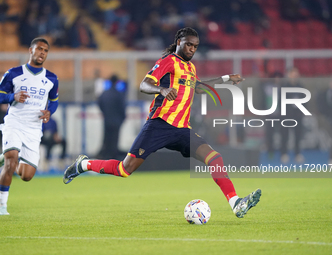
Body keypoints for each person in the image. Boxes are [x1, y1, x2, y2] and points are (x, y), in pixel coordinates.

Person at [63, 27, 261, 218]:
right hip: (160, 125)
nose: (192, 49)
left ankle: (235, 203)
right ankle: (84, 164)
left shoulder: (190, 67)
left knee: (214, 157)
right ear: (178, 43)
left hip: (183, 129)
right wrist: (162, 90)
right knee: (125, 169)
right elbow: (144, 84)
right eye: (189, 45)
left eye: (195, 46)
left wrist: (226, 79)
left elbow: (199, 88)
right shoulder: (168, 61)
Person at [0, 38, 59, 215]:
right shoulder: (13, 73)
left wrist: (50, 112)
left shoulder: (51, 78)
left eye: (45, 50)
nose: (42, 52)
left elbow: (54, 102)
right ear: (30, 50)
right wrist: (13, 97)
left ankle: (5, 156)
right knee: (11, 162)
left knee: (26, 175)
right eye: (39, 49)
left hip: (34, 129)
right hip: (15, 123)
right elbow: (1, 95)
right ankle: (2, 206)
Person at [97, 75, 127, 159]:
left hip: (107, 120)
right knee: (114, 141)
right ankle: (112, 159)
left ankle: (105, 157)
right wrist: (122, 118)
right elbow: (122, 108)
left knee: (106, 140)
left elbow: (100, 103)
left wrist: (105, 113)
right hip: (116, 121)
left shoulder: (104, 93)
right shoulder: (118, 94)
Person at [280, 67, 305, 163]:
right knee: (285, 135)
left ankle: (297, 154)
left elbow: (304, 101)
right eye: (293, 74)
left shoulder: (300, 87)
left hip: (297, 116)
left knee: (297, 136)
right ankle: (284, 154)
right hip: (286, 116)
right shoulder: (284, 86)